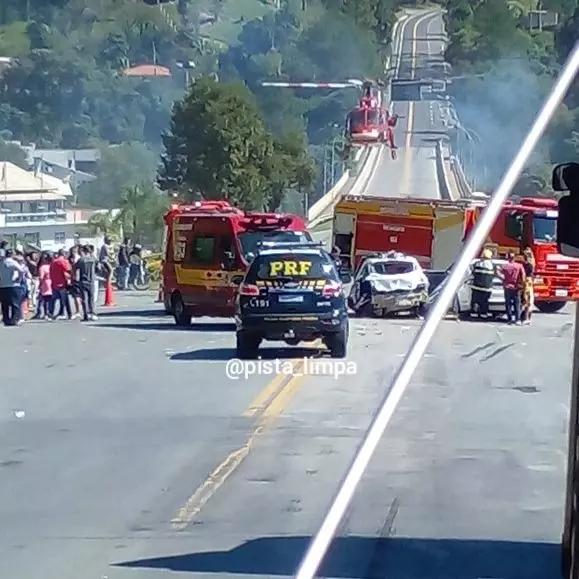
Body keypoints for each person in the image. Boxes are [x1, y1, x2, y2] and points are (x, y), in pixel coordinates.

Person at [498, 251, 526, 325]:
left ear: (508, 257)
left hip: (507, 287)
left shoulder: (504, 266)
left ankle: (509, 319)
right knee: (517, 303)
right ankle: (518, 319)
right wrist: (522, 285)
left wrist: (503, 279)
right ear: (514, 257)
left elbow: (498, 273)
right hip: (516, 287)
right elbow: (523, 276)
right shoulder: (519, 266)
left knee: (508, 304)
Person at [0, 248, 27, 326]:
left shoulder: (1, 263)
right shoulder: (12, 262)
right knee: (15, 303)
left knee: (5, 304)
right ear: (12, 255)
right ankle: (14, 319)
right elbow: (21, 270)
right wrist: (19, 279)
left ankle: (6, 320)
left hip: (3, 286)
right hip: (13, 285)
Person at [74, 245, 98, 321]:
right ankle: (93, 313)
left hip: (83, 281)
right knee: (91, 298)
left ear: (84, 251)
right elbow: (99, 268)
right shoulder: (94, 259)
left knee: (84, 299)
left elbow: (75, 268)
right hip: (91, 281)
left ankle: (86, 315)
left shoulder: (81, 260)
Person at [470, 248, 495, 318]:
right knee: (485, 301)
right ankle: (483, 313)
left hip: (476, 287)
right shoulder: (492, 265)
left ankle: (474, 313)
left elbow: (473, 273)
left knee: (475, 300)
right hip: (487, 288)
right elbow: (494, 275)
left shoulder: (477, 264)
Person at [50, 248, 73, 320]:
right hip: (62, 283)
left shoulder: (53, 262)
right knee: (65, 300)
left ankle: (53, 313)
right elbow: (68, 271)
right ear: (64, 254)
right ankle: (69, 314)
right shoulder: (64, 261)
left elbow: (51, 272)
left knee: (54, 300)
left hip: (54, 283)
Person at [35, 252, 54, 320]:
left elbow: (41, 277)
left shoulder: (42, 267)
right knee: (50, 299)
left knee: (45, 299)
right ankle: (50, 313)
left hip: (45, 283)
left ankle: (46, 313)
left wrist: (40, 285)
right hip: (52, 282)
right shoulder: (52, 265)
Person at [521, 247, 536, 325]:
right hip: (530, 282)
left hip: (527, 281)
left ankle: (526, 318)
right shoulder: (532, 263)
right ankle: (529, 318)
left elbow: (523, 274)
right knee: (530, 299)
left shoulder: (526, 265)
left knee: (526, 299)